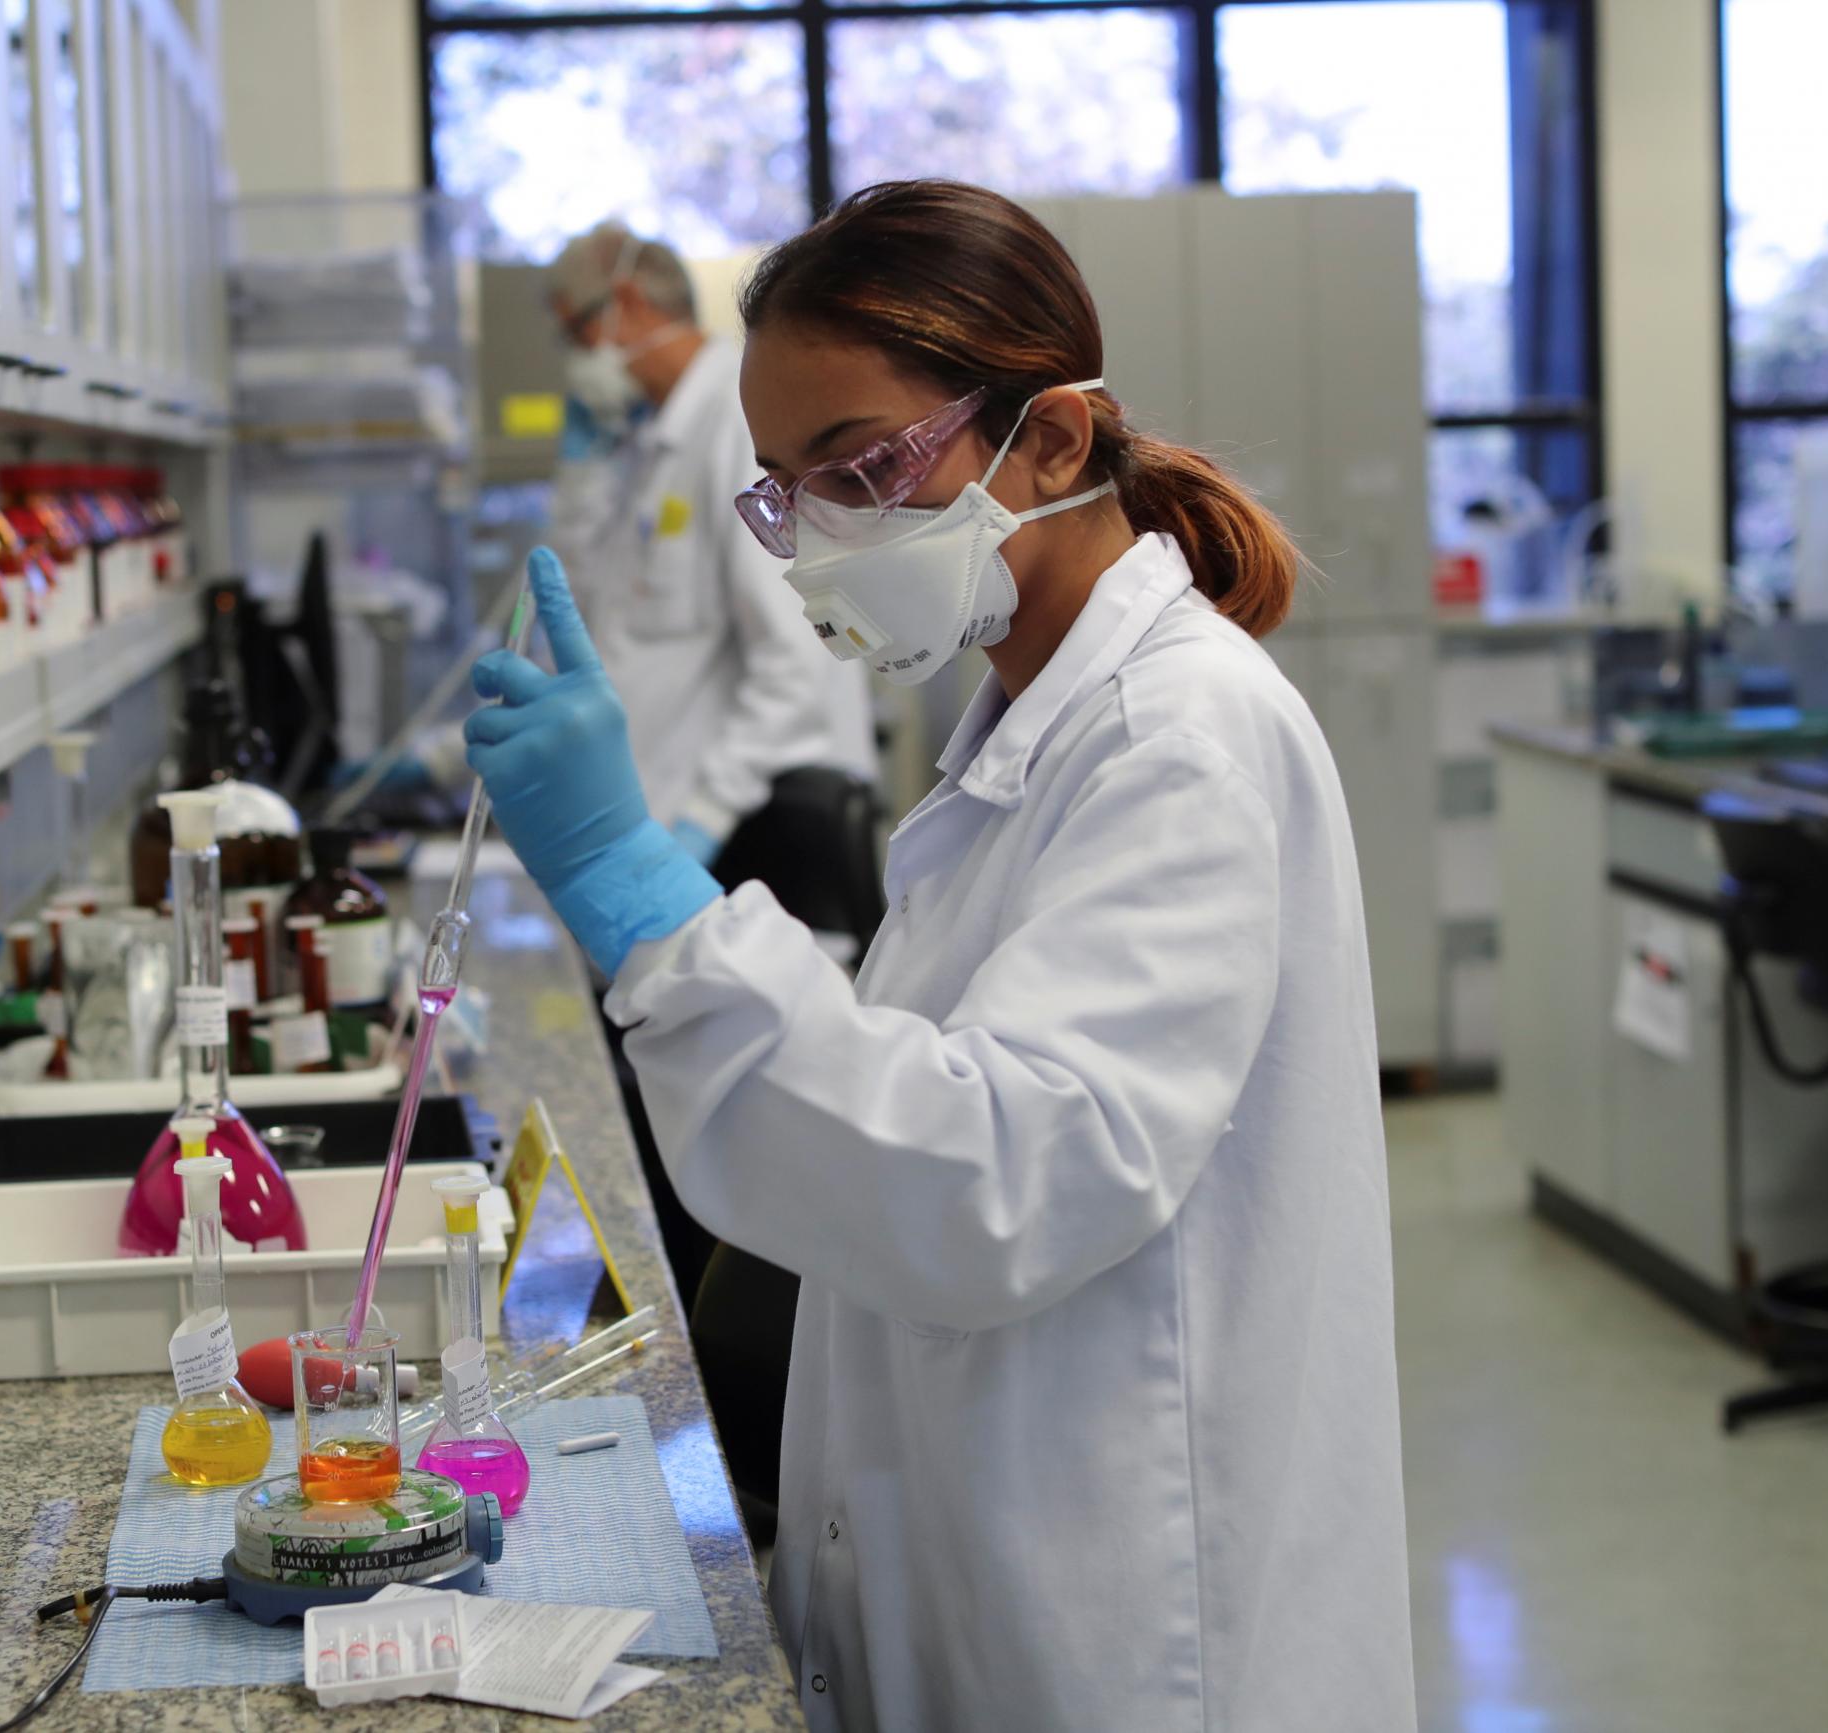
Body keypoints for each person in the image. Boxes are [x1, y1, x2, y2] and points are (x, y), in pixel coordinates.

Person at [461, 181, 1414, 1732]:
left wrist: (643, 890)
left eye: (863, 465)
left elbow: (993, 1176)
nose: (822, 533)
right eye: (786, 489)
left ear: (1048, 439)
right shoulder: (1021, 729)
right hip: (990, 1557)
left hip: (1123, 1617)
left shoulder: (1182, 740)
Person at [349, 221, 875, 869]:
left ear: (625, 303)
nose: (575, 357)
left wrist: (703, 820)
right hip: (668, 826)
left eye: (576, 333)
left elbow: (797, 663)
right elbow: (580, 624)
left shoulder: (739, 424)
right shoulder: (642, 443)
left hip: (747, 835)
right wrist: (582, 475)